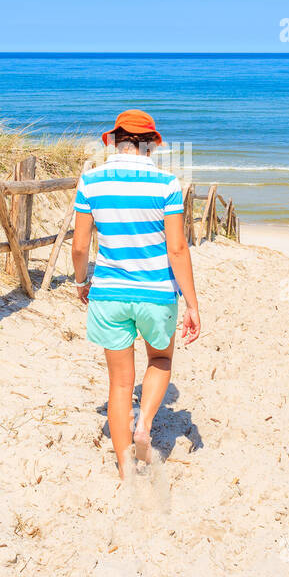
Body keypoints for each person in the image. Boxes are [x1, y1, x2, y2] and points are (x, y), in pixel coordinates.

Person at [70, 110, 201, 478]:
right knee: (160, 359)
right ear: (151, 145)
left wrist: (82, 282)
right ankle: (144, 423)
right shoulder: (167, 184)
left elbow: (80, 246)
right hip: (157, 292)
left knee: (120, 383)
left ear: (113, 140)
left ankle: (126, 467)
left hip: (109, 292)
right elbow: (177, 249)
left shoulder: (91, 181)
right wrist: (192, 303)